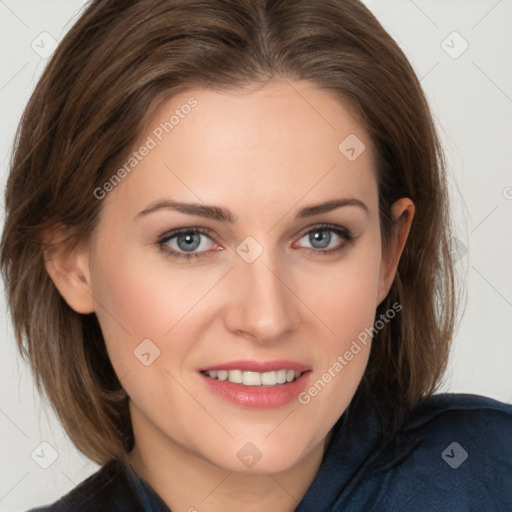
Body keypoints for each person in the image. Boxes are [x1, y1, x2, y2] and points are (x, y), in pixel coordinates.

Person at [1, 0, 511, 511]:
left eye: (320, 237)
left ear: (389, 253)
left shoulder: (485, 476)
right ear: (71, 261)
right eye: (190, 240)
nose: (267, 319)